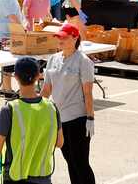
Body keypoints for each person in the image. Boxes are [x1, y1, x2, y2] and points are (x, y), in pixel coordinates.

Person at [0, 57, 64, 183]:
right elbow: (59, 142)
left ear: (15, 77)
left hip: (16, 177)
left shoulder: (10, 110)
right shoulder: (51, 108)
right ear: (38, 76)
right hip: (43, 177)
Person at [41, 23, 96, 184]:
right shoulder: (53, 59)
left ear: (75, 38)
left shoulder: (83, 61)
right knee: (70, 161)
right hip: (58, 120)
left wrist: (90, 118)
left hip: (78, 120)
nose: (60, 40)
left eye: (64, 37)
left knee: (80, 163)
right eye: (59, 37)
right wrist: (33, 106)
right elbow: (46, 90)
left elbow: (88, 93)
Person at [0, 0, 24, 99]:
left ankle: (5, 88)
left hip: (12, 32)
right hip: (6, 34)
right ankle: (6, 90)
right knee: (8, 63)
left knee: (12, 61)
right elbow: (12, 17)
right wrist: (23, 29)